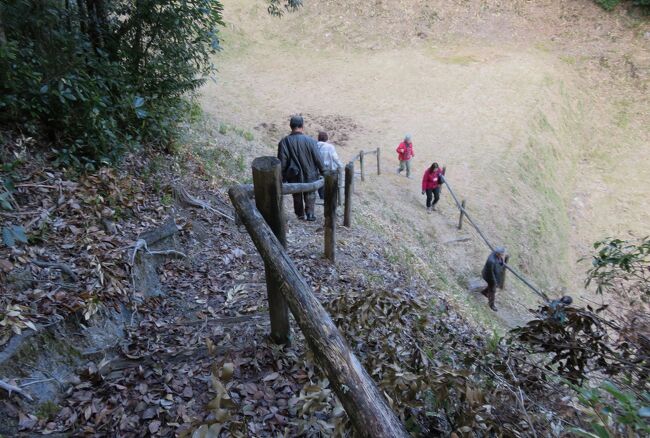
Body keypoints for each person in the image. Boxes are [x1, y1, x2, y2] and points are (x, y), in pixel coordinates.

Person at [277, 115, 324, 221]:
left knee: (296, 195)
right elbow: (318, 159)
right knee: (310, 193)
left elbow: (282, 162)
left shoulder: (284, 142)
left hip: (294, 175)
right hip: (311, 174)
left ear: (290, 126)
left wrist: (282, 177)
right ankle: (310, 214)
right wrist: (324, 171)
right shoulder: (311, 141)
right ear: (302, 126)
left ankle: (300, 215)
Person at [316, 131, 343, 199]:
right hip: (329, 169)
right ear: (326, 138)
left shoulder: (314, 145)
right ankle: (329, 197)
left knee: (320, 181)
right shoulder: (330, 147)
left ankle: (322, 196)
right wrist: (340, 166)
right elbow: (335, 158)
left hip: (318, 169)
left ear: (318, 138)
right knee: (329, 183)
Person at [480, 247, 507, 311]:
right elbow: (490, 274)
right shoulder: (491, 261)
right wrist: (494, 282)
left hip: (495, 274)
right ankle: (491, 304)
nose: (503, 255)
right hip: (489, 276)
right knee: (493, 290)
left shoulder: (498, 256)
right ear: (498, 254)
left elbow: (500, 262)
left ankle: (484, 292)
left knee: (492, 287)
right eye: (502, 254)